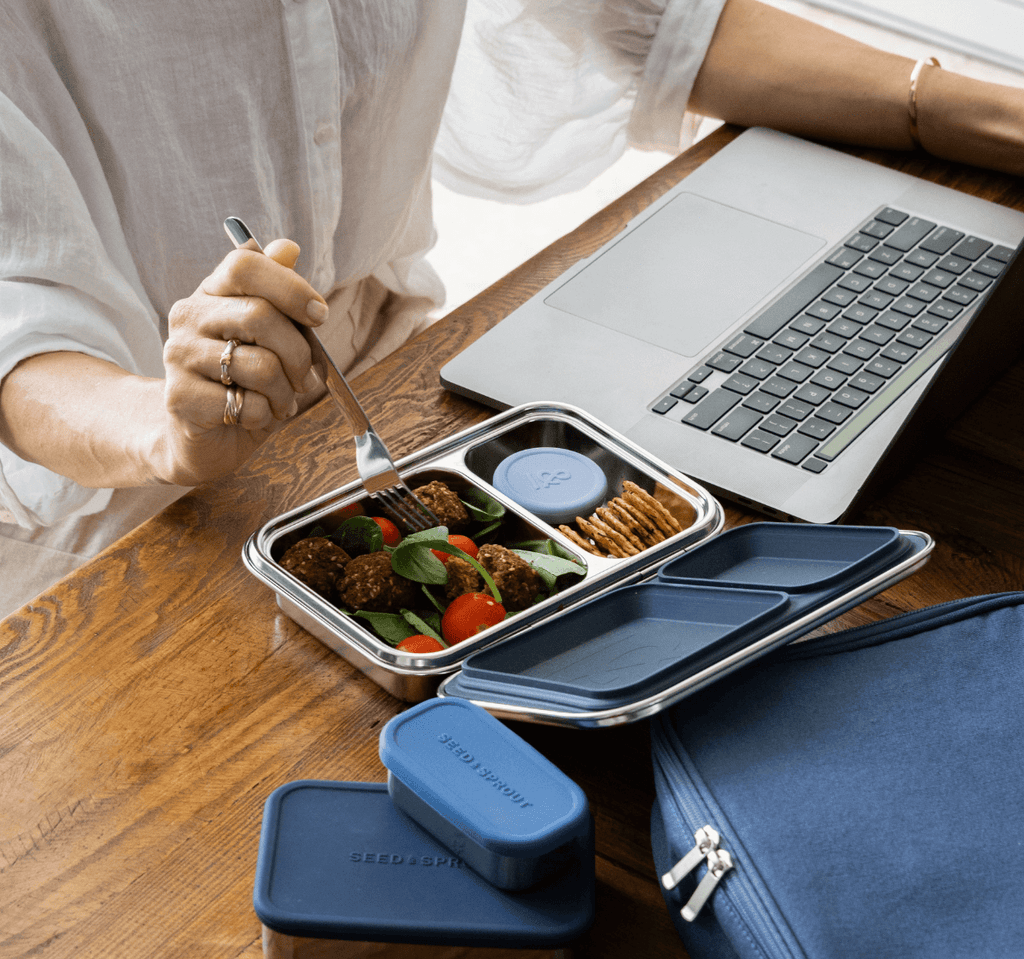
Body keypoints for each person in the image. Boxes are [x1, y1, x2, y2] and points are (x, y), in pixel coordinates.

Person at [0, 0, 1022, 617]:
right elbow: (22, 342)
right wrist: (169, 428)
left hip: (393, 393)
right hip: (127, 523)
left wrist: (978, 111)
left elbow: (655, 27)